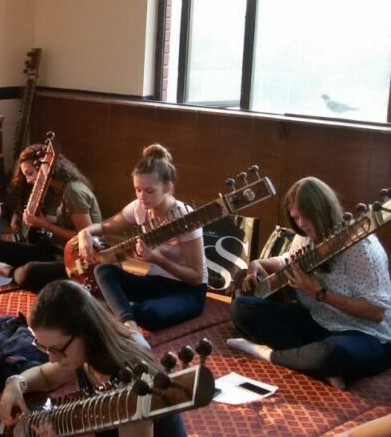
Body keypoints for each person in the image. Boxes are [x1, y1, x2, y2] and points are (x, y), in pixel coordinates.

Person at [228, 177, 391, 389]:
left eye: (306, 216)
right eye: (296, 217)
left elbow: (377, 312)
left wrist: (318, 292)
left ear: (323, 211)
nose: (301, 224)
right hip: (318, 320)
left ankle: (268, 354)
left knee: (330, 354)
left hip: (365, 333)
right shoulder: (304, 236)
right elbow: (289, 260)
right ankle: (314, 364)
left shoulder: (362, 246)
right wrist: (258, 264)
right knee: (242, 308)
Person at [0, 280, 186, 437]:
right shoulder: (87, 355)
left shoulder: (132, 384)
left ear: (87, 332)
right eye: (44, 347)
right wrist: (15, 383)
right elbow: (45, 376)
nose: (52, 359)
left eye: (58, 349)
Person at [78, 144, 206, 346]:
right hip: (154, 283)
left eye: (149, 191)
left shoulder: (185, 218)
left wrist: (158, 259)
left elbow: (196, 278)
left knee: (151, 313)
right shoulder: (139, 207)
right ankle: (130, 325)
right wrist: (85, 232)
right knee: (103, 270)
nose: (141, 197)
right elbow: (104, 226)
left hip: (187, 292)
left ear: (168, 187)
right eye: (137, 190)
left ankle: (114, 308)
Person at [0, 145, 101, 291]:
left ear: (46, 168)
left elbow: (85, 238)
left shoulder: (73, 191)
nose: (28, 180)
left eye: (30, 173)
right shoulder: (52, 190)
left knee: (29, 272)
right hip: (54, 250)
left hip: (79, 260)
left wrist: (45, 225)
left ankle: (9, 271)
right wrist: (27, 219)